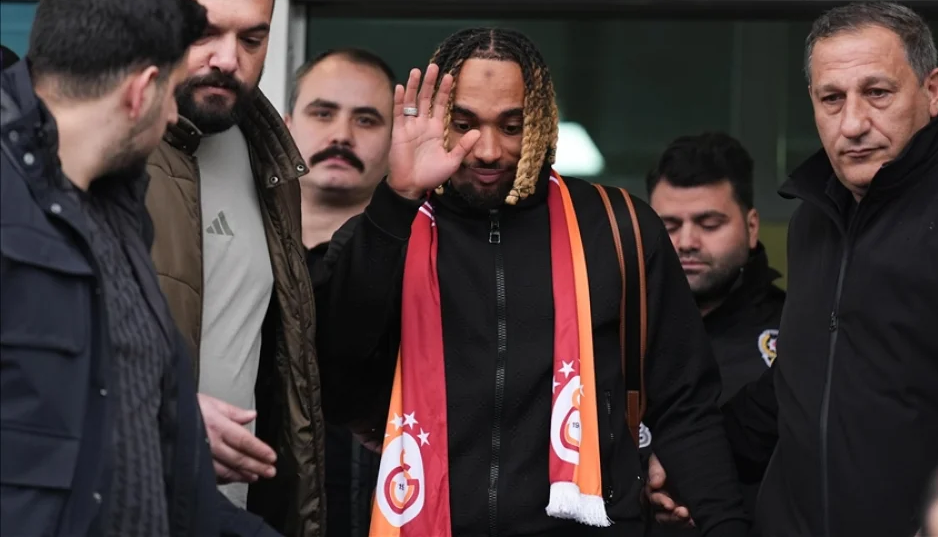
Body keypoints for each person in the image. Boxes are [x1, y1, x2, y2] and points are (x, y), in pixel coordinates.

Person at [321, 27, 751, 537]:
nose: (488, 150)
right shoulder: (388, 231)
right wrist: (398, 199)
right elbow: (335, 382)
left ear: (543, 121)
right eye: (465, 124)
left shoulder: (618, 228)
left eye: (512, 125)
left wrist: (726, 526)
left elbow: (687, 407)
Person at [650, 2, 938, 537]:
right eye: (832, 98)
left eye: (877, 93)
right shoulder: (815, 217)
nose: (853, 123)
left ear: (932, 91)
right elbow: (797, 382)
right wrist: (687, 466)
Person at [145, 0, 429, 534]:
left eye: (253, 40)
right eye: (323, 113)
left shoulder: (260, 164)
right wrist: (160, 413)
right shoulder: (119, 149)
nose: (228, 58)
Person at [0, 0, 277, 536]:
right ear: (142, 91)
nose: (174, 117)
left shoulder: (120, 213)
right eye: (171, 95)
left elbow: (163, 475)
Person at [646, 132, 784, 536]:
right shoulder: (608, 334)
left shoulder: (799, 329)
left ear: (752, 227)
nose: (687, 242)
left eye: (709, 224)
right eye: (668, 225)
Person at [285, 47, 396, 537]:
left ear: (395, 139)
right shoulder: (237, 253)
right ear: (287, 125)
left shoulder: (429, 260)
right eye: (323, 113)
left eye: (366, 120)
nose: (342, 135)